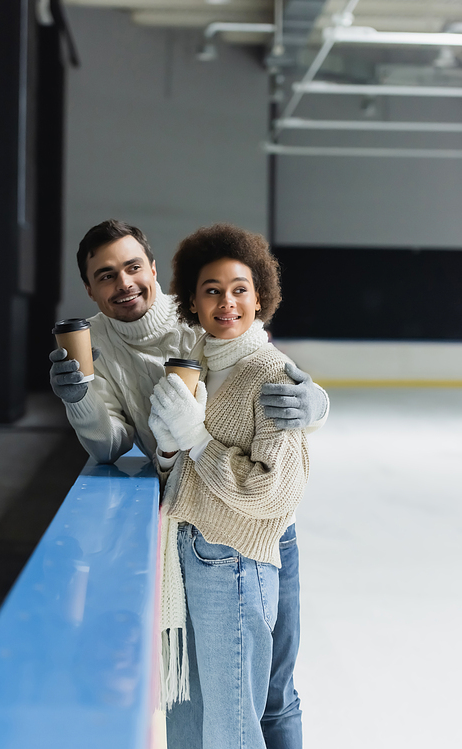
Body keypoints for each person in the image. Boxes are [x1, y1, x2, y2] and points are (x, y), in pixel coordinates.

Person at [148, 223, 309, 749]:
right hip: (192, 550)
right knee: (195, 722)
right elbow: (186, 473)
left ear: (260, 297)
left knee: (232, 729)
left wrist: (195, 438)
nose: (227, 302)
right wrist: (169, 447)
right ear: (191, 301)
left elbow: (270, 492)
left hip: (235, 558)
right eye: (212, 290)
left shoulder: (270, 372)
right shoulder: (197, 362)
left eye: (240, 289)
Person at [49, 219, 329, 463]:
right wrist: (78, 399)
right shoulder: (92, 340)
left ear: (153, 270)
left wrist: (318, 405)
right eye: (107, 276)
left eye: (133, 267)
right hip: (176, 485)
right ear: (89, 289)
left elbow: (265, 364)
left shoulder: (205, 315)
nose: (124, 283)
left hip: (232, 484)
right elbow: (108, 449)